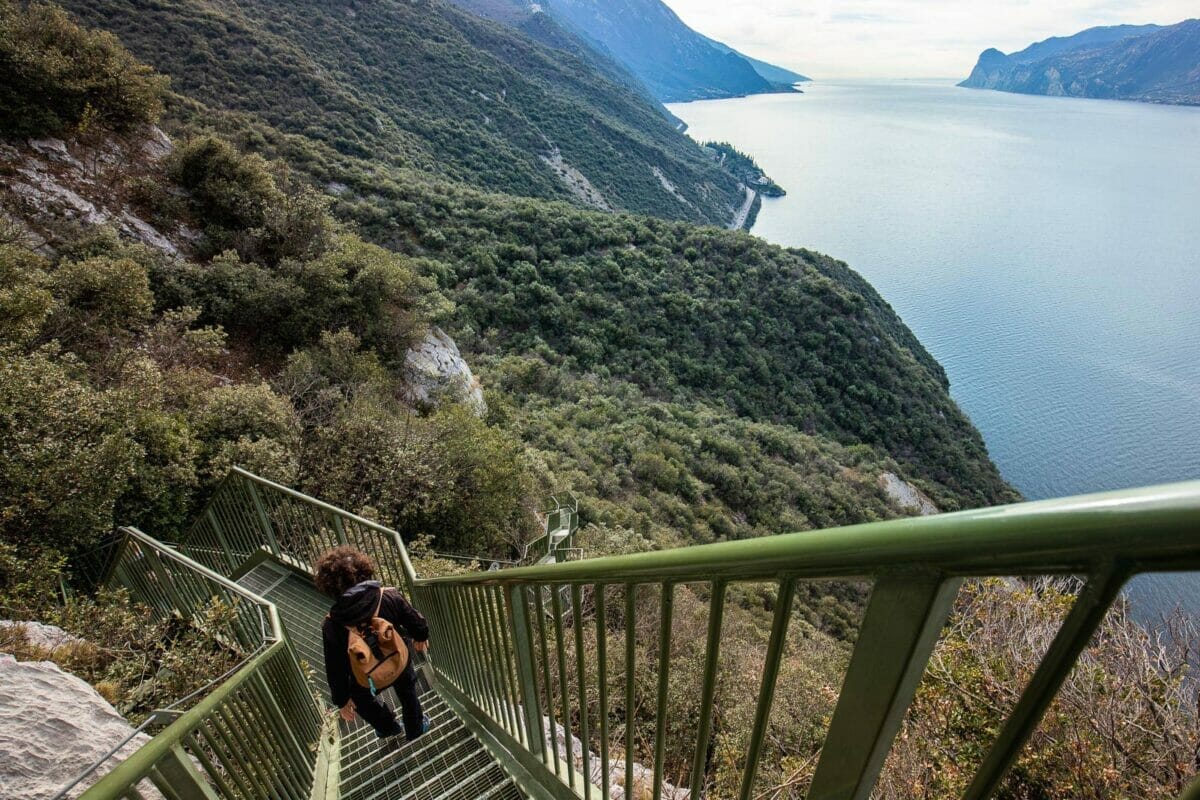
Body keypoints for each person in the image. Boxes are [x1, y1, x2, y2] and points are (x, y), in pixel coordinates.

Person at [316, 545, 431, 740]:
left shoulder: (332, 624)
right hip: (398, 661)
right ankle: (415, 727)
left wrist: (342, 700)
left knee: (362, 699)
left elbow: (335, 668)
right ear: (364, 570)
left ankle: (388, 728)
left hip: (365, 677)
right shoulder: (388, 596)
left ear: (329, 586)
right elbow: (416, 622)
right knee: (407, 690)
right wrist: (421, 636)